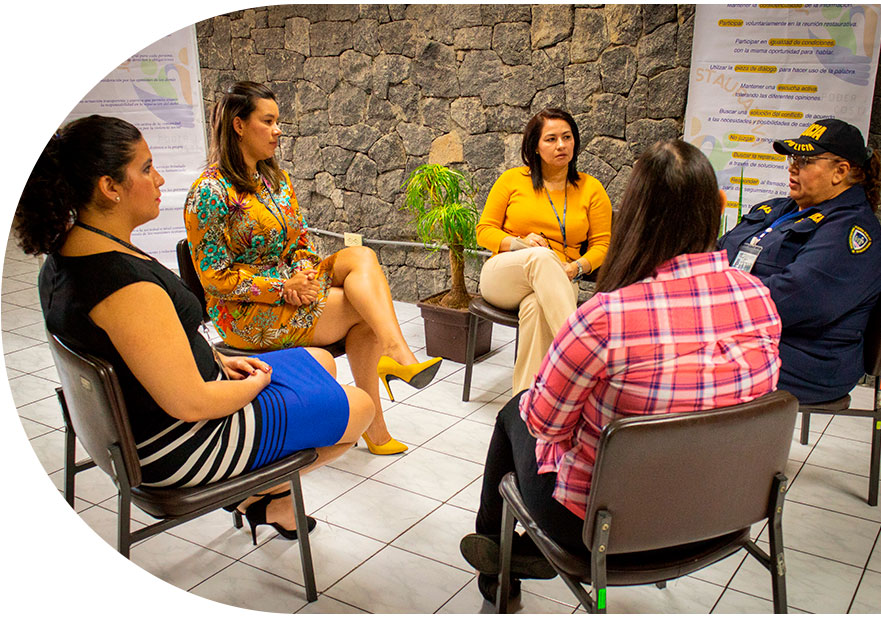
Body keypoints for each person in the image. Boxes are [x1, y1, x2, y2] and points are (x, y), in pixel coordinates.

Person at [15, 115, 376, 545]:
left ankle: (271, 499)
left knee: (319, 360)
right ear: (110, 188)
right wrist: (254, 383)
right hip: (181, 446)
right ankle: (258, 492)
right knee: (360, 408)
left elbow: (150, 350)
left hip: (143, 419)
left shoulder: (65, 258)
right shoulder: (121, 285)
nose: (160, 178)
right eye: (146, 169)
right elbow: (191, 402)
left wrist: (222, 359)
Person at [459, 139, 782, 603]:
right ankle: (507, 553)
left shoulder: (607, 317)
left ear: (633, 215)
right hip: (723, 519)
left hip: (602, 534)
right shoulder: (758, 299)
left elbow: (544, 424)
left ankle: (498, 562)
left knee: (516, 410)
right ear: (719, 207)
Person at [184, 81, 442, 455]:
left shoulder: (275, 180)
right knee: (362, 311)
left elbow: (299, 242)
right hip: (245, 312)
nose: (278, 130)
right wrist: (281, 287)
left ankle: (393, 352)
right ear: (239, 125)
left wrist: (303, 273)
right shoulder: (209, 192)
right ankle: (377, 424)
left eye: (278, 121)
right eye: (268, 121)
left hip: (293, 285)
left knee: (361, 257)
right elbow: (214, 277)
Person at [719, 118, 881, 404]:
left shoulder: (853, 232)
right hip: (752, 334)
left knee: (677, 360)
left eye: (806, 160)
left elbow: (793, 297)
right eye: (794, 157)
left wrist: (709, 297)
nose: (793, 166)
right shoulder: (779, 208)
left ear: (840, 171)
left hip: (807, 358)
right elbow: (716, 251)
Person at [475, 108, 612, 396]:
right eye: (551, 139)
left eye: (567, 137)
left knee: (537, 308)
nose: (561, 145)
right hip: (506, 274)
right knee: (539, 256)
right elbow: (484, 230)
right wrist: (520, 243)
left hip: (562, 277)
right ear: (534, 147)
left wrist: (577, 268)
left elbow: (603, 245)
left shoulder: (591, 188)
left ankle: (525, 404)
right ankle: (580, 351)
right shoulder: (512, 180)